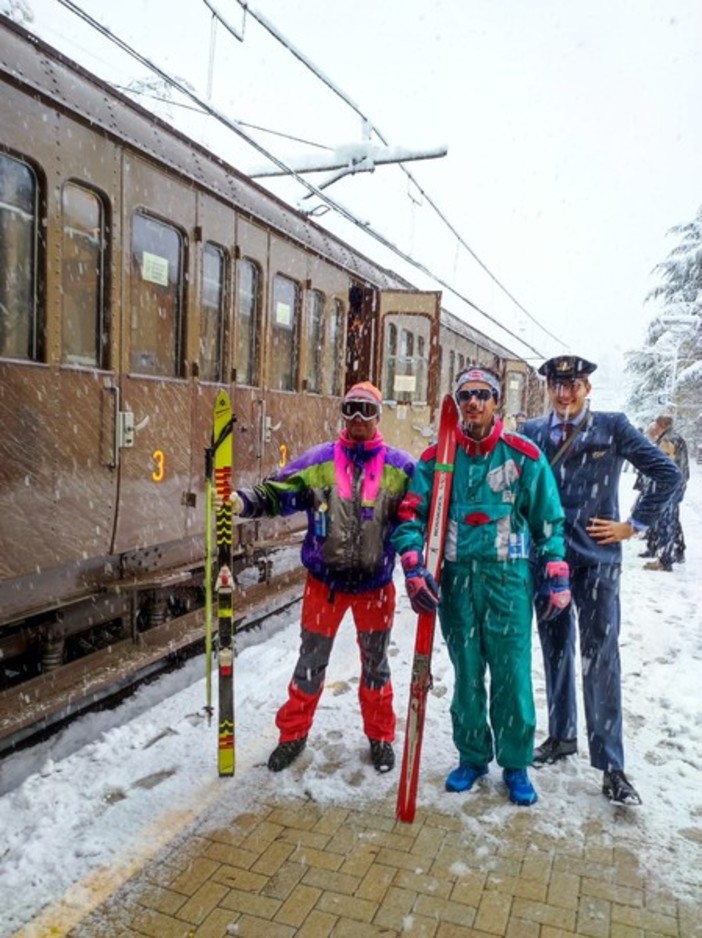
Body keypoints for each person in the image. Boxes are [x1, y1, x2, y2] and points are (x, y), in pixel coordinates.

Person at [392, 367, 569, 807]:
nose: (473, 403)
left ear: (496, 403)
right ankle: (472, 757)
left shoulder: (522, 456)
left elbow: (548, 520)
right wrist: (414, 567)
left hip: (507, 582)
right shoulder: (438, 459)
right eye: (465, 396)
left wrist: (555, 573)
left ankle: (515, 764)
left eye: (482, 395)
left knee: (511, 676)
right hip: (458, 583)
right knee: (467, 674)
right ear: (457, 404)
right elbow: (410, 515)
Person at [229, 382, 414, 774]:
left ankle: (380, 736)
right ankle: (292, 735)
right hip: (324, 587)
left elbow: (421, 513)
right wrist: (242, 502)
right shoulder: (320, 462)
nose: (359, 418)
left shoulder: (400, 469)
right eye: (351, 409)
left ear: (380, 415)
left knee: (376, 665)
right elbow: (279, 492)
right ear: (342, 414)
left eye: (367, 409)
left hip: (375, 588)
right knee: (310, 664)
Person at [522, 355, 682, 806]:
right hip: (548, 562)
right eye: (557, 384)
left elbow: (667, 475)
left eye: (572, 384)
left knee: (601, 661)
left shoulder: (612, 427)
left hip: (597, 564)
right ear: (549, 388)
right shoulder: (533, 433)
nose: (564, 393)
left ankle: (612, 766)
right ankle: (561, 735)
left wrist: (634, 526)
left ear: (587, 387)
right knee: (556, 651)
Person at [640, 414, 690, 571]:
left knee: (666, 522)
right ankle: (668, 551)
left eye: (655, 425)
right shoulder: (673, 438)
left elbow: (665, 467)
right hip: (675, 486)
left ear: (662, 425)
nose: (653, 428)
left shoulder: (668, 441)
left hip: (669, 488)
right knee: (670, 520)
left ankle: (665, 559)